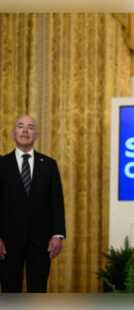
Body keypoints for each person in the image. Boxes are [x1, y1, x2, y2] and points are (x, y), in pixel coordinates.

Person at [0, 115, 66, 293]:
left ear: (36, 134)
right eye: (20, 126)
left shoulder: (49, 165)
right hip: (8, 243)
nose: (25, 131)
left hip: (41, 241)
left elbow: (57, 202)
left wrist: (58, 235)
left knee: (38, 291)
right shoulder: (1, 165)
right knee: (9, 291)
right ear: (13, 133)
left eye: (30, 127)